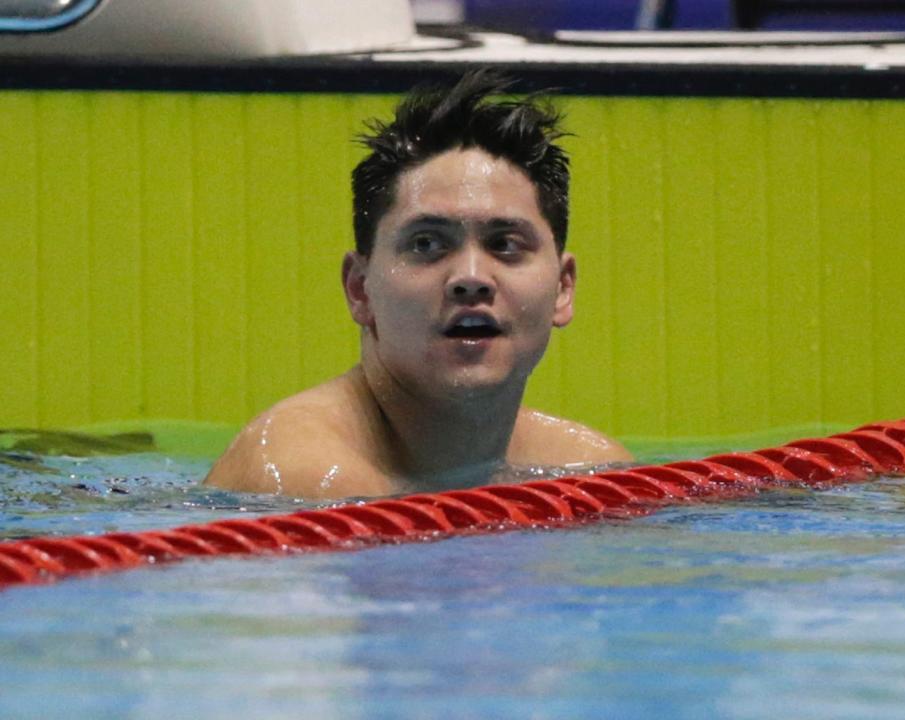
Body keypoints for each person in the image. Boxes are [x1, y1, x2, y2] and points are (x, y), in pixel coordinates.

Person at [204, 70, 633, 500]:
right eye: (427, 244)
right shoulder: (308, 477)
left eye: (505, 244)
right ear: (359, 289)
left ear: (563, 288)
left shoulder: (588, 470)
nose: (470, 277)